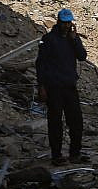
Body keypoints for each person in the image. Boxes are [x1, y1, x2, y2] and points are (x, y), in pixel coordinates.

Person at [35, 9, 88, 165]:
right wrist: (41, 87)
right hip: (54, 88)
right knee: (55, 123)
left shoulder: (72, 39)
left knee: (76, 121)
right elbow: (41, 65)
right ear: (58, 22)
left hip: (70, 87)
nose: (66, 25)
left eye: (68, 23)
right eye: (64, 22)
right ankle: (56, 155)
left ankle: (75, 153)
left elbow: (82, 56)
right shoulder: (49, 39)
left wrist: (75, 40)